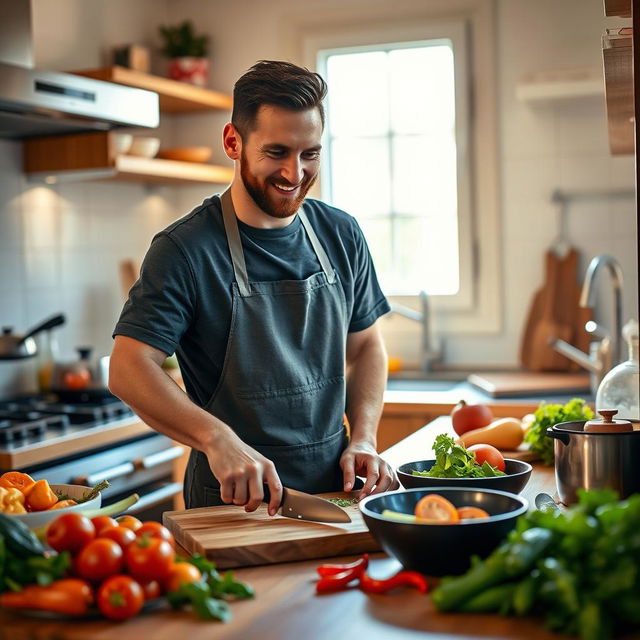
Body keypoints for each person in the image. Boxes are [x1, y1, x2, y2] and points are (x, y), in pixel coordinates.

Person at [109, 60, 399, 516]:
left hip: (337, 494)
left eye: (310, 154)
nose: (295, 173)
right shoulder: (185, 249)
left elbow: (365, 347)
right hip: (233, 503)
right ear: (233, 142)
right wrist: (216, 439)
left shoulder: (341, 234)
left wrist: (363, 436)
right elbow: (128, 367)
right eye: (277, 152)